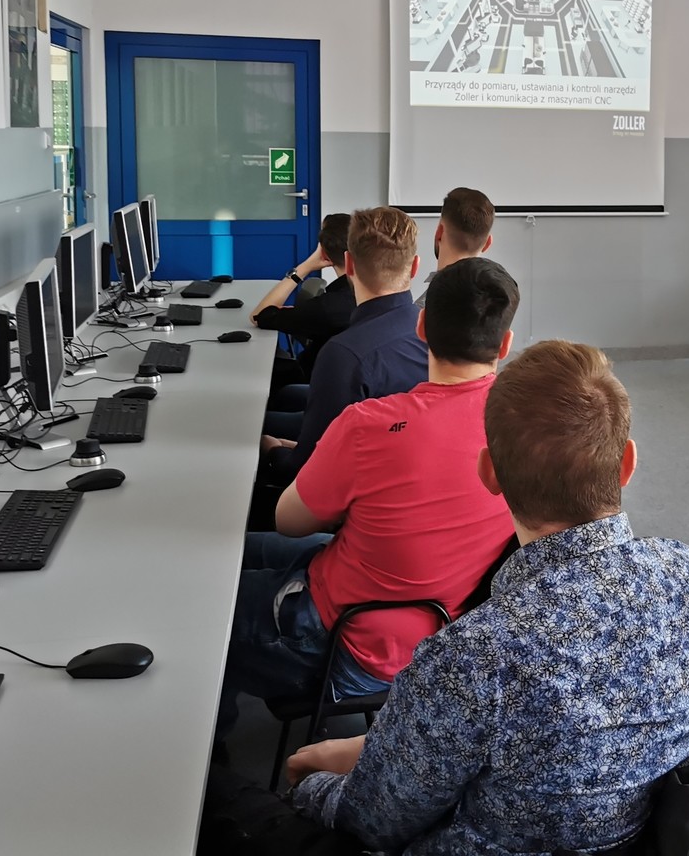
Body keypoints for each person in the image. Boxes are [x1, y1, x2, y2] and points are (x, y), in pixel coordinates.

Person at [281, 340, 689, 854]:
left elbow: (370, 822)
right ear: (626, 463)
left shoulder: (473, 654)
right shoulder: (687, 573)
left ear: (488, 473)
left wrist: (310, 785)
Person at [217, 257, 521, 739]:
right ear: (504, 344)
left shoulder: (370, 424)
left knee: (202, 599)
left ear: (421, 327)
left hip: (344, 643)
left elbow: (288, 520)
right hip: (437, 641)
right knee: (236, 551)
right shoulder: (524, 430)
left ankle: (213, 759)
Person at [260, 207, 428, 483]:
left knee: (248, 432)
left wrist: (273, 450)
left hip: (349, 490)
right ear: (415, 266)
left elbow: (306, 470)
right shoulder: (430, 329)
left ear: (349, 265)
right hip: (396, 470)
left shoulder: (344, 354)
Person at [250, 213, 356, 400]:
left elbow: (259, 316)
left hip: (315, 389)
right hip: (349, 391)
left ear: (324, 252)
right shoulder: (379, 300)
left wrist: (305, 267)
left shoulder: (328, 308)